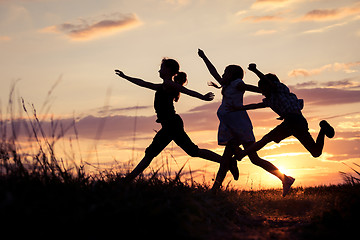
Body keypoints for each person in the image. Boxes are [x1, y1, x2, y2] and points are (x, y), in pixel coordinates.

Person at [115, 58, 239, 181]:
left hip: (171, 125)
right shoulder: (163, 86)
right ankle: (228, 162)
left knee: (151, 153)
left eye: (162, 68)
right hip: (171, 124)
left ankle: (127, 180)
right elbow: (143, 83)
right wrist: (126, 77)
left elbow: (186, 91)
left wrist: (202, 97)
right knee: (193, 151)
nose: (159, 70)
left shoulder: (169, 84)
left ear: (168, 70)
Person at [198, 49, 293, 195]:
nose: (222, 75)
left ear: (232, 75)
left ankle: (215, 190)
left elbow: (253, 88)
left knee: (237, 159)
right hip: (230, 126)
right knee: (242, 159)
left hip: (239, 125)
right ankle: (215, 190)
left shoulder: (237, 83)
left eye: (225, 72)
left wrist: (270, 91)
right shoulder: (227, 85)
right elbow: (213, 72)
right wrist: (204, 57)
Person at [234, 63, 335, 194]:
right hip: (299, 122)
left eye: (263, 88)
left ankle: (242, 153)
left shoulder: (279, 89)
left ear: (269, 84)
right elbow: (256, 105)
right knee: (316, 152)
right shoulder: (270, 99)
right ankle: (322, 129)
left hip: (292, 121)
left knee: (266, 139)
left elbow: (269, 83)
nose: (262, 91)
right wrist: (239, 108)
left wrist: (255, 70)